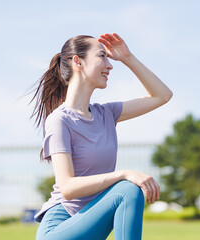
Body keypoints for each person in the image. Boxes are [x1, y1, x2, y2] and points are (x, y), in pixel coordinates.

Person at [31, 33, 173, 240]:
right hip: (59, 229)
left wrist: (127, 57)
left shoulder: (106, 114)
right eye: (102, 57)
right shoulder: (59, 120)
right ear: (78, 62)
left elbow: (163, 95)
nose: (109, 65)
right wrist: (123, 174)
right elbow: (67, 187)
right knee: (127, 189)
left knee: (127, 188)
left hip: (90, 222)